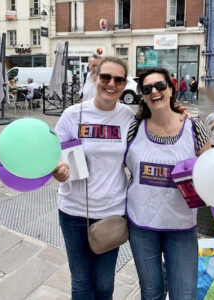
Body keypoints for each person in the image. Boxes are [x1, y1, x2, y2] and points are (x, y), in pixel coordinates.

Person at [125, 67, 211, 300]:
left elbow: (211, 172)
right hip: (142, 224)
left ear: (171, 90)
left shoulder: (194, 127)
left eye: (160, 86)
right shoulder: (134, 127)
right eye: (147, 88)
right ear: (142, 96)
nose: (154, 91)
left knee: (184, 294)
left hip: (181, 226)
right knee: (151, 294)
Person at [52, 56, 133, 300]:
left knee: (105, 283)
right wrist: (58, 169)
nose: (111, 84)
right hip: (73, 211)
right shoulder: (72, 115)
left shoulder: (128, 117)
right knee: (81, 282)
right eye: (106, 77)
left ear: (124, 84)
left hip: (111, 212)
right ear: (95, 77)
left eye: (118, 79)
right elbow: (54, 155)